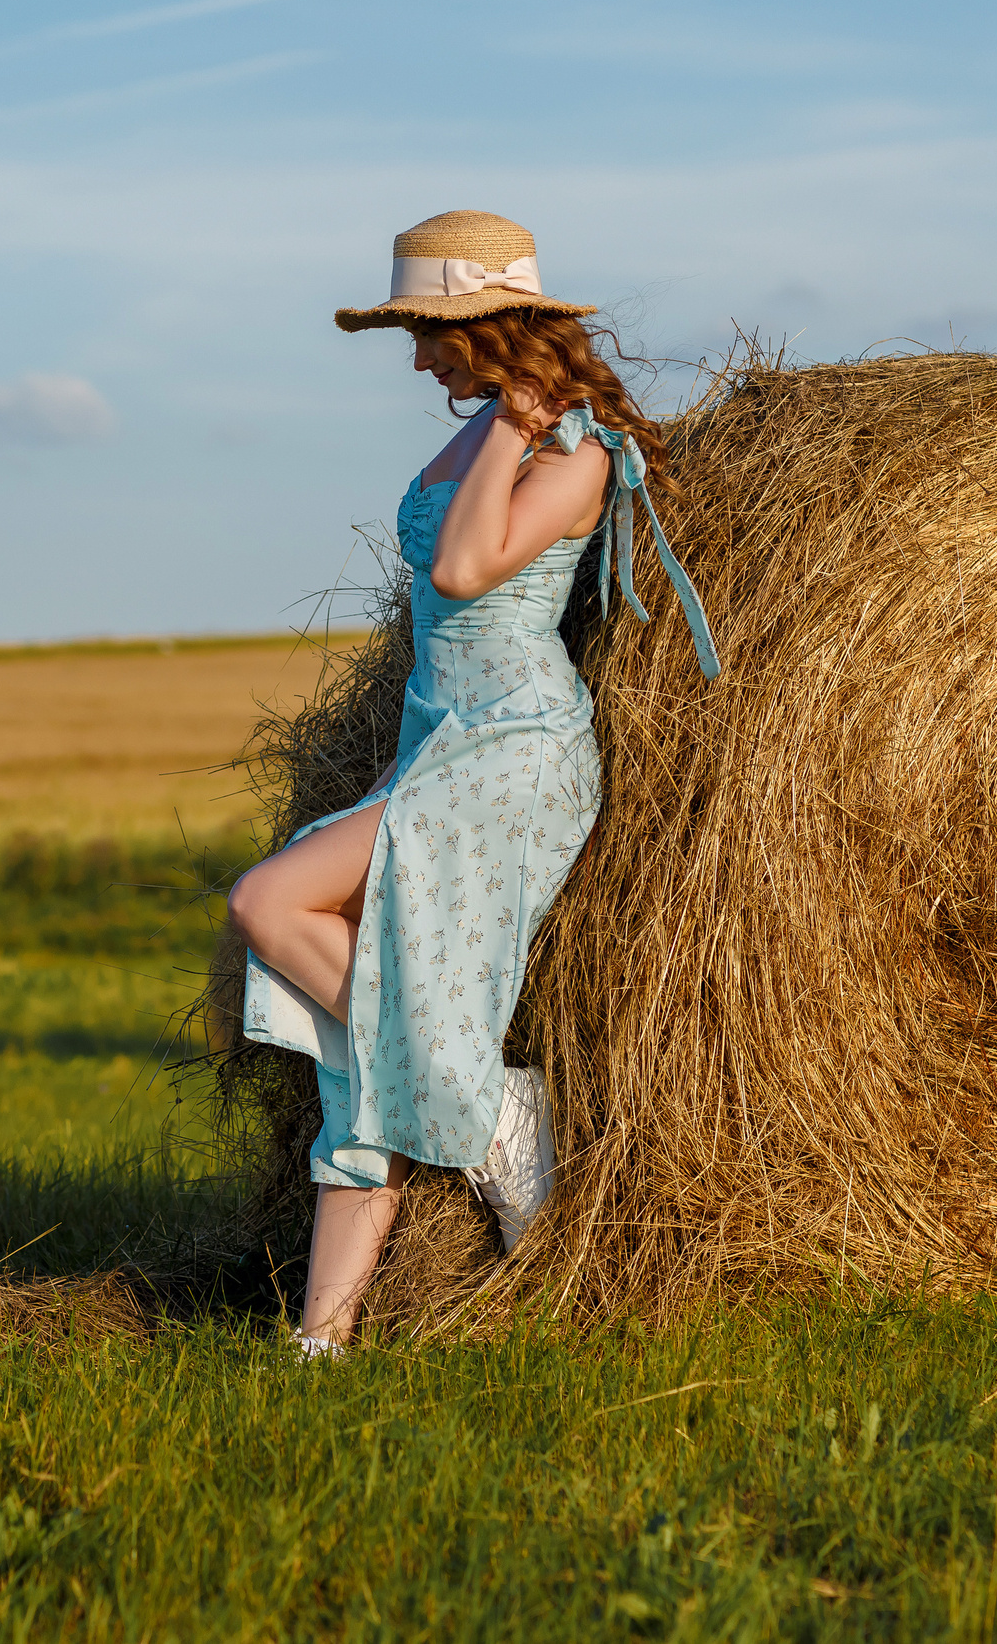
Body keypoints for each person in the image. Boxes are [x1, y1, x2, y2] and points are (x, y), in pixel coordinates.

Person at [227, 210, 720, 1358]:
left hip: (517, 745)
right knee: (360, 1062)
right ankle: (321, 1344)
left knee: (267, 902)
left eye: (429, 333)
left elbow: (460, 566)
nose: (415, 357)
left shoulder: (577, 449)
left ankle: (491, 1104)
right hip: (440, 740)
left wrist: (514, 424)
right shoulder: (492, 434)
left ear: (489, 327)